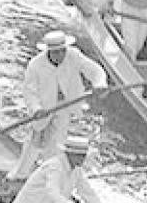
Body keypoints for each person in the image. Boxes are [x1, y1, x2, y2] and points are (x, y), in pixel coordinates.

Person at [9, 30, 105, 180]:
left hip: (66, 106)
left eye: (62, 51)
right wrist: (36, 109)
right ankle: (19, 175)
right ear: (49, 52)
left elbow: (95, 70)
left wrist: (99, 84)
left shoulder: (73, 55)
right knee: (33, 144)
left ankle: (49, 177)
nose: (60, 56)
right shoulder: (35, 65)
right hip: (44, 109)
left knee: (56, 143)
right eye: (56, 52)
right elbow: (30, 92)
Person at [9, 133, 92, 203]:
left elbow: (87, 192)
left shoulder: (77, 170)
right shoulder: (55, 166)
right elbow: (52, 192)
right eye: (80, 155)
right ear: (70, 154)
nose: (83, 158)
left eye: (84, 155)